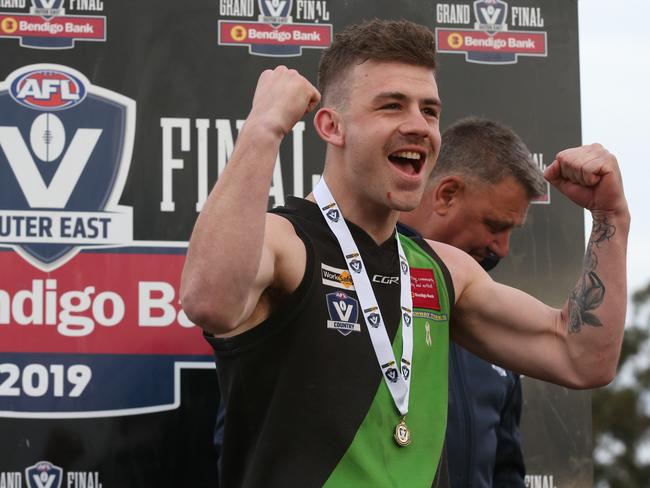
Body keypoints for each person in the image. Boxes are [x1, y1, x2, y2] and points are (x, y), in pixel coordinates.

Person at [180, 19, 629, 488]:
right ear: (332, 126)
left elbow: (582, 358)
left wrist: (610, 220)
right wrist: (264, 127)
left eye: (430, 111)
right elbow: (208, 300)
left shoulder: (444, 270)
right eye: (392, 106)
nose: (419, 125)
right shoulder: (285, 243)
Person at [399, 116, 545, 487]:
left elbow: (506, 471)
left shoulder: (496, 322)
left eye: (511, 231)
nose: (503, 249)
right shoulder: (352, 282)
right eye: (495, 226)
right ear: (447, 194)